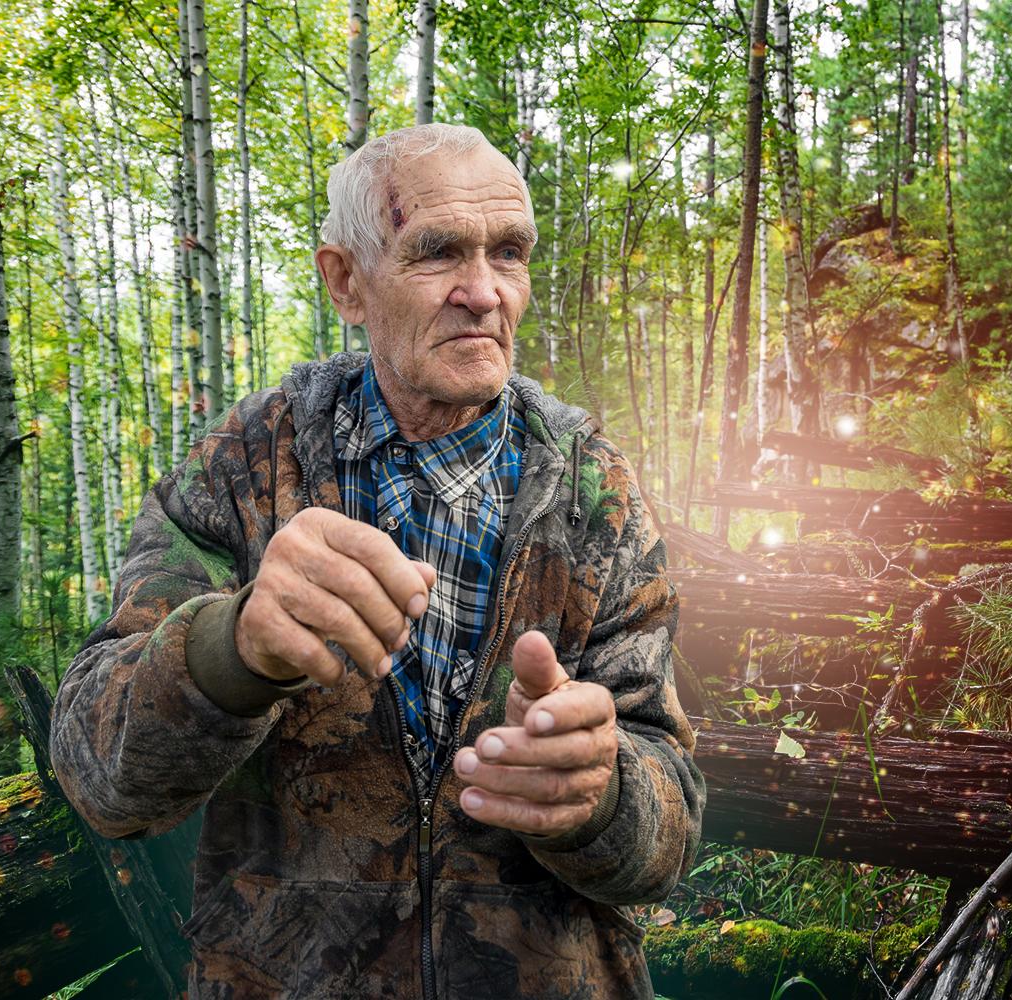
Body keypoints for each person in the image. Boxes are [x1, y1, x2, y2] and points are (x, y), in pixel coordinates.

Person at [48, 123, 705, 1000]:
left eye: (509, 253)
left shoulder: (597, 492)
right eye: (437, 253)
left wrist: (604, 795)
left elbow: (673, 823)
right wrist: (233, 650)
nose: (484, 293)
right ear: (346, 282)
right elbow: (101, 778)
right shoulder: (242, 468)